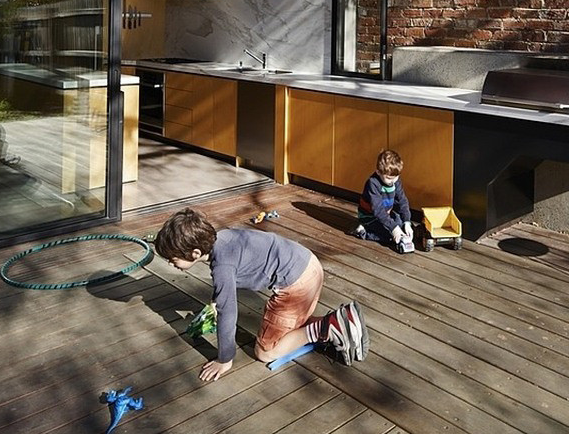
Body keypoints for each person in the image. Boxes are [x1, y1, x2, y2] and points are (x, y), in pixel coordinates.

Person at [154, 207, 369, 378]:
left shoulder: (222, 267)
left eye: (173, 260)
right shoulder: (224, 237)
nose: (172, 264)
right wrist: (215, 301)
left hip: (297, 285)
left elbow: (228, 313)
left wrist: (224, 359)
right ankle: (343, 322)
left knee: (266, 352)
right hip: (309, 264)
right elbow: (229, 282)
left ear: (196, 252)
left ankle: (328, 327)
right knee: (286, 330)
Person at [355, 148, 414, 252]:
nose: (392, 181)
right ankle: (363, 232)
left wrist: (407, 222)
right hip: (371, 217)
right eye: (389, 178)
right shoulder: (373, 183)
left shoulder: (395, 181)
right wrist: (394, 229)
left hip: (386, 214)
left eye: (396, 177)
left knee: (402, 227)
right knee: (391, 236)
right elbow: (377, 210)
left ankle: (399, 228)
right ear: (378, 172)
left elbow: (402, 201)